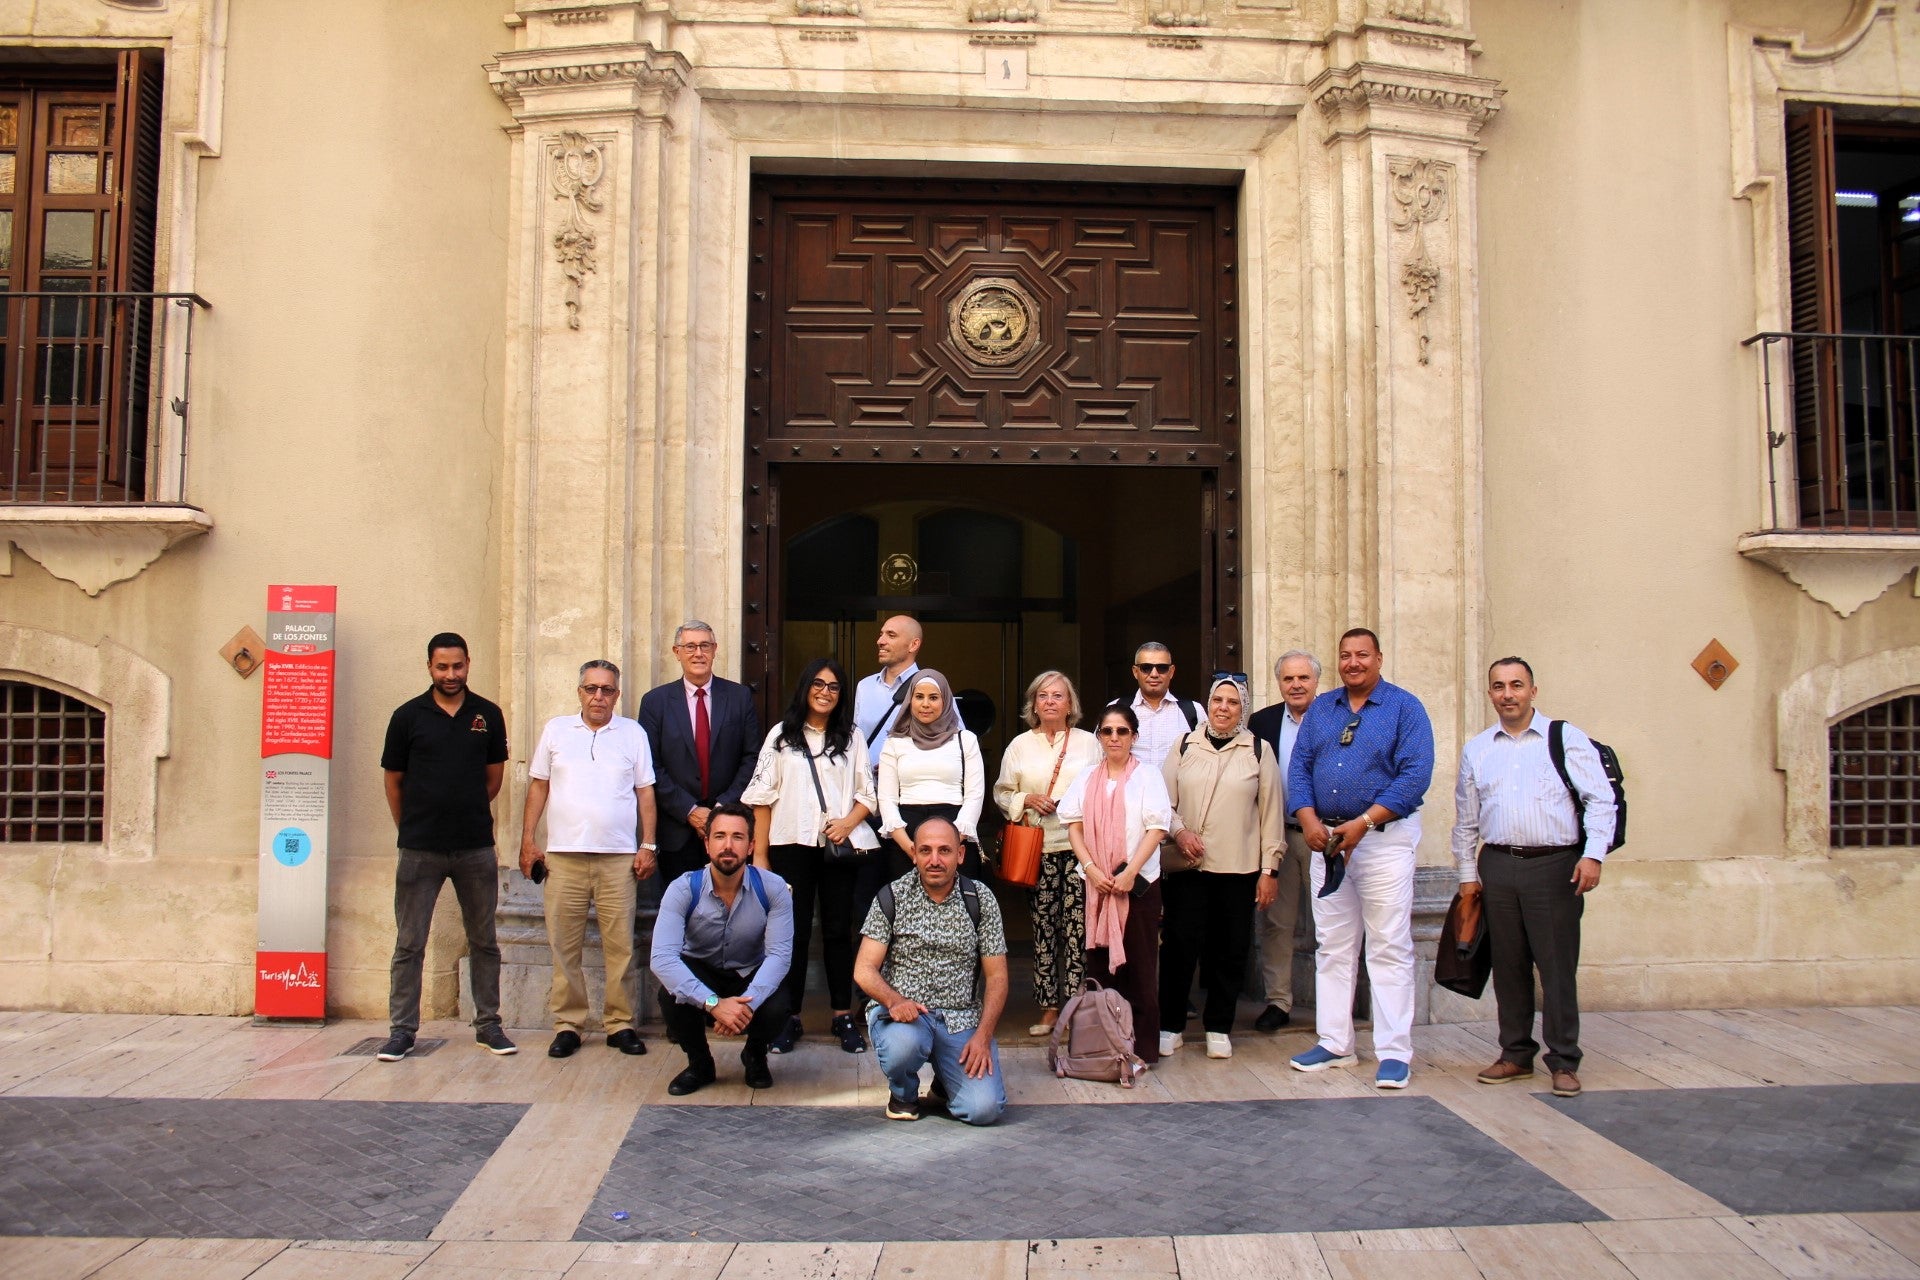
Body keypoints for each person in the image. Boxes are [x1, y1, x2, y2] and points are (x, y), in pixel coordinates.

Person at [1452, 657, 1617, 1100]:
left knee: (1556, 967)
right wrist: (1469, 876)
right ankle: (1515, 1053)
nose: (1508, 694)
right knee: (1508, 966)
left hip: (1555, 867)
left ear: (1533, 691)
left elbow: (1600, 800)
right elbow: (1466, 820)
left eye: (1516, 685)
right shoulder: (1478, 749)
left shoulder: (1565, 739)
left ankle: (1564, 1060)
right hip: (1499, 865)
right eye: (1499, 686)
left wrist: (1593, 856)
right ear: (1489, 693)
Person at [1287, 627, 1435, 1089]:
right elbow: (1299, 769)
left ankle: (1394, 1052)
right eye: (1346, 656)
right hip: (1328, 841)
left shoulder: (1404, 708)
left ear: (1379, 659)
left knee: (1389, 945)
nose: (1354, 663)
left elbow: (1415, 775)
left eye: (1363, 655)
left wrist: (1365, 823)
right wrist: (1309, 821)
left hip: (1381, 840)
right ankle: (1335, 1042)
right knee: (1332, 945)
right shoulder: (1321, 709)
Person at [377, 632, 516, 1061]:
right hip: (420, 848)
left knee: (484, 940)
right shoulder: (407, 717)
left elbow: (493, 779)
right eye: (442, 667)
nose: (451, 675)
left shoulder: (487, 715)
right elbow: (393, 780)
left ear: (468, 664)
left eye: (458, 666)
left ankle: (488, 1025)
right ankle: (402, 1031)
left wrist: (465, 807)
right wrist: (414, 825)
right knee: (410, 943)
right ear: (429, 667)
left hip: (475, 846)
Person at [519, 660, 658, 1059]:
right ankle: (568, 1025)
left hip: (618, 857)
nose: (599, 696)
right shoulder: (556, 730)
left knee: (621, 947)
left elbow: (645, 791)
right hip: (563, 857)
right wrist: (528, 842)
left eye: (607, 690)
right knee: (565, 946)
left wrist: (648, 845)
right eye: (591, 688)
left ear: (617, 694)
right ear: (579, 691)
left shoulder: (632, 733)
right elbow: (539, 785)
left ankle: (620, 1024)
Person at [742, 657, 879, 1056]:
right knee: (793, 934)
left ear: (842, 695)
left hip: (837, 848)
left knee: (838, 931)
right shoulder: (781, 737)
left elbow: (866, 793)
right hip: (789, 848)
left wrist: (848, 822)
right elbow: (761, 799)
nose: (824, 692)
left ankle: (841, 1016)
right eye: (818, 684)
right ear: (805, 688)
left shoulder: (851, 737)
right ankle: (789, 1018)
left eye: (834, 686)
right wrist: (761, 857)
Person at [1158, 675, 1285, 1059]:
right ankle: (1171, 1024)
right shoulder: (1184, 745)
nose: (1223, 708)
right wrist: (1180, 833)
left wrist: (1270, 870)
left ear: (1241, 709)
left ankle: (1218, 1026)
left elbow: (1271, 815)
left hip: (1238, 869)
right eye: (1217, 700)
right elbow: (1164, 804)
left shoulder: (1258, 750)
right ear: (1208, 704)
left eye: (1232, 702)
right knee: (1180, 946)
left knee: (1230, 949)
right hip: (1189, 866)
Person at [855, 817, 1008, 1125]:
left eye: (944, 851)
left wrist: (983, 1035)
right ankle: (904, 1093)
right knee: (903, 1047)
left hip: (960, 1018)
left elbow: (998, 977)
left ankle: (943, 1084)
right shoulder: (892, 896)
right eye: (925, 850)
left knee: (984, 1110)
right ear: (914, 854)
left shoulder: (979, 898)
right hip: (906, 1016)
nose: (934, 860)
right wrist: (894, 1000)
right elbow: (864, 970)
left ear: (960, 855)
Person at [649, 801, 795, 1096]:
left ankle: (754, 1055)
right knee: (670, 994)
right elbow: (662, 958)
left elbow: (779, 956)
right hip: (703, 972)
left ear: (752, 845)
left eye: (737, 837)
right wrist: (714, 1004)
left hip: (747, 974)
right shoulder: (682, 888)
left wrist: (744, 1009)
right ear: (706, 844)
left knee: (780, 1002)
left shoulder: (774, 888)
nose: (728, 845)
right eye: (719, 836)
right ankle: (700, 1064)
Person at [1060, 703, 1171, 1066]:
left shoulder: (1148, 775)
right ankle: (1104, 1046)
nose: (1114, 738)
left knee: (1139, 968)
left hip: (1136, 886)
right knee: (1101, 969)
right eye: (1107, 731)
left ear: (1134, 736)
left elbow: (1157, 828)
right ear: (1099, 737)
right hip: (1098, 887)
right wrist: (1090, 867)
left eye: (1122, 731)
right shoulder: (1086, 776)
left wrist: (1129, 872)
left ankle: (1141, 1050)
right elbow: (1073, 823)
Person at [992, 671, 1100, 1038]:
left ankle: (1077, 1006)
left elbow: (1103, 789)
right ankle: (1049, 1008)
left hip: (1080, 849)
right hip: (1037, 849)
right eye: (1043, 696)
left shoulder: (1090, 744)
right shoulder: (1020, 745)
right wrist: (1027, 799)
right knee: (1043, 929)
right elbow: (1003, 793)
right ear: (1033, 704)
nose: (1050, 701)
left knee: (1077, 930)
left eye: (1058, 695)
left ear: (1071, 704)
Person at [637, 621, 761, 885]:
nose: (698, 653)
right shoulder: (655, 702)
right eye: (690, 646)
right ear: (676, 651)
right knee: (680, 911)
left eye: (705, 645)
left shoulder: (739, 697)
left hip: (729, 829)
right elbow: (649, 765)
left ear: (715, 649)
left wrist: (720, 808)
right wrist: (689, 810)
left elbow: (752, 758)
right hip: (676, 830)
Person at [1246, 650, 1321, 1033]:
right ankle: (1279, 1001)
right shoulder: (1262, 722)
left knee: (1332, 923)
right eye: (1288, 679)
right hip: (1281, 835)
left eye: (1303, 678)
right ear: (1279, 682)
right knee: (1277, 922)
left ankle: (1333, 1003)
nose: (1295, 685)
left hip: (1325, 835)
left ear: (1316, 682)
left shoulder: (1334, 716)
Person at [875, 669, 986, 875]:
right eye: (919, 697)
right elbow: (887, 800)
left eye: (933, 697)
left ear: (945, 701)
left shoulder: (966, 740)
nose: (925, 704)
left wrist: (949, 846)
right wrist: (911, 847)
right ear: (910, 700)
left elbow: (975, 796)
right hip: (907, 835)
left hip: (955, 830)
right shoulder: (894, 743)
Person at [1113, 642, 1203, 770]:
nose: (1154, 674)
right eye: (1146, 668)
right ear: (1135, 672)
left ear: (1171, 672)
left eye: (1162, 668)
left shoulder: (1193, 711)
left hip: (1175, 790)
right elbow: (1100, 756)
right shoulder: (1116, 708)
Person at [853, 615, 923, 772]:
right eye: (881, 634)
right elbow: (855, 741)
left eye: (891, 635)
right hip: (868, 789)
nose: (880, 641)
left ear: (913, 645)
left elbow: (954, 746)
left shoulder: (930, 687)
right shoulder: (865, 687)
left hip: (909, 790)